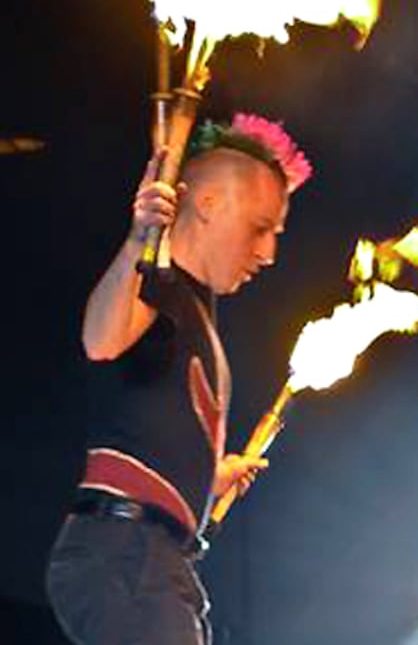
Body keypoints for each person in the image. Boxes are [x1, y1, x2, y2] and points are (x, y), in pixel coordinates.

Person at [46, 113, 312, 645]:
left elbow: (147, 428)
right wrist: (137, 240)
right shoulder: (156, 282)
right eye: (261, 228)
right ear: (208, 204)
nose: (268, 253)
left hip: (154, 561)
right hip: (126, 551)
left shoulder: (196, 311)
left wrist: (203, 480)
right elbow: (101, 340)